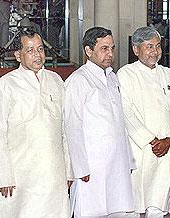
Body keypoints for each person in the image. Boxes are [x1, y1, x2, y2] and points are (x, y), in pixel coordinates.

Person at [0, 28, 72, 217]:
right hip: (20, 176)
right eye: (30, 50)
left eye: (40, 49)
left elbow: (65, 130)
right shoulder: (6, 84)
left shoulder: (56, 81)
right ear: (18, 55)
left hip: (53, 173)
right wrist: (3, 176)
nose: (37, 55)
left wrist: (68, 170)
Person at [64, 27, 136, 218]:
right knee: (90, 211)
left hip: (117, 162)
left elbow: (120, 123)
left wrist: (128, 159)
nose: (110, 54)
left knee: (118, 210)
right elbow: (72, 126)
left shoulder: (112, 77)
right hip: (92, 166)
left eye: (112, 48)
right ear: (88, 51)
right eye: (104, 48)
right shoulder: (78, 80)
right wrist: (80, 167)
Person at [117, 27, 170, 218]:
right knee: (133, 206)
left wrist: (169, 139)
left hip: (166, 151)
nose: (155, 51)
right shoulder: (126, 74)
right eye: (149, 47)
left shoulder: (169, 74)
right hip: (140, 151)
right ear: (136, 49)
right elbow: (126, 111)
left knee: (158, 207)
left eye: (157, 46)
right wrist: (151, 141)